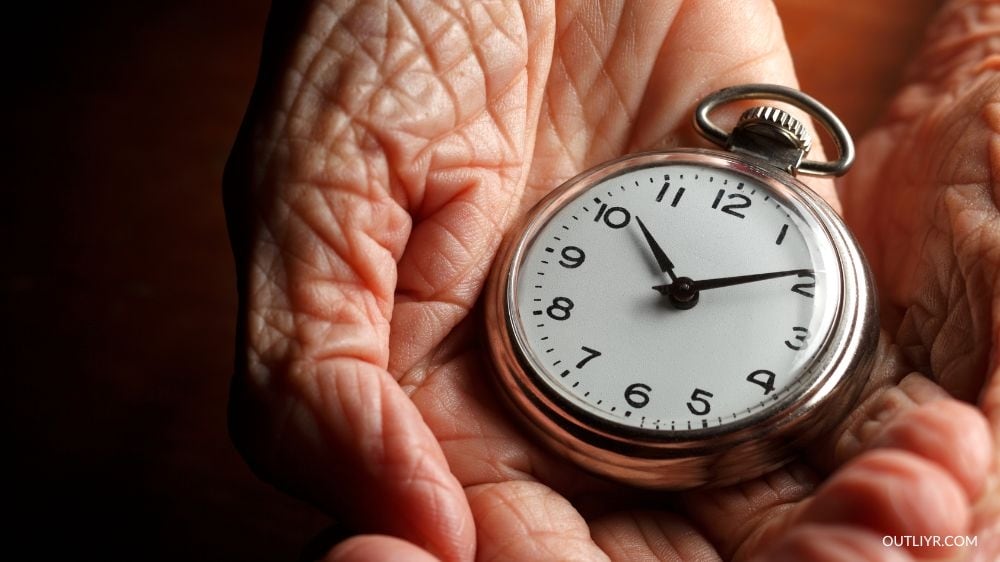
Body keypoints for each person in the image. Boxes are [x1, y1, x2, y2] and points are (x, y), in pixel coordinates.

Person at [223, 1, 999, 560]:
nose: (676, 288)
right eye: (675, 281)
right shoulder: (638, 197)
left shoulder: (773, 237)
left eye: (680, 287)